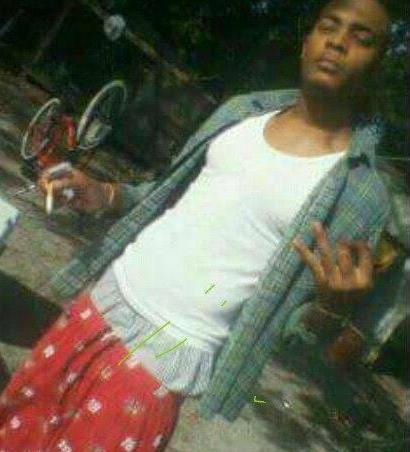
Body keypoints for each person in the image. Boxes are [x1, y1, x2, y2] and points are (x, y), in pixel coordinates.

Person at [0, 0, 407, 450]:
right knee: (13, 431)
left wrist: (332, 310)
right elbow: (167, 192)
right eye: (330, 26)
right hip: (104, 299)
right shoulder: (241, 113)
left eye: (361, 38)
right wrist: (104, 193)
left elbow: (297, 332)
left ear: (375, 67)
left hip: (169, 351)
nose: (339, 42)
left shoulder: (361, 194)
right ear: (306, 42)